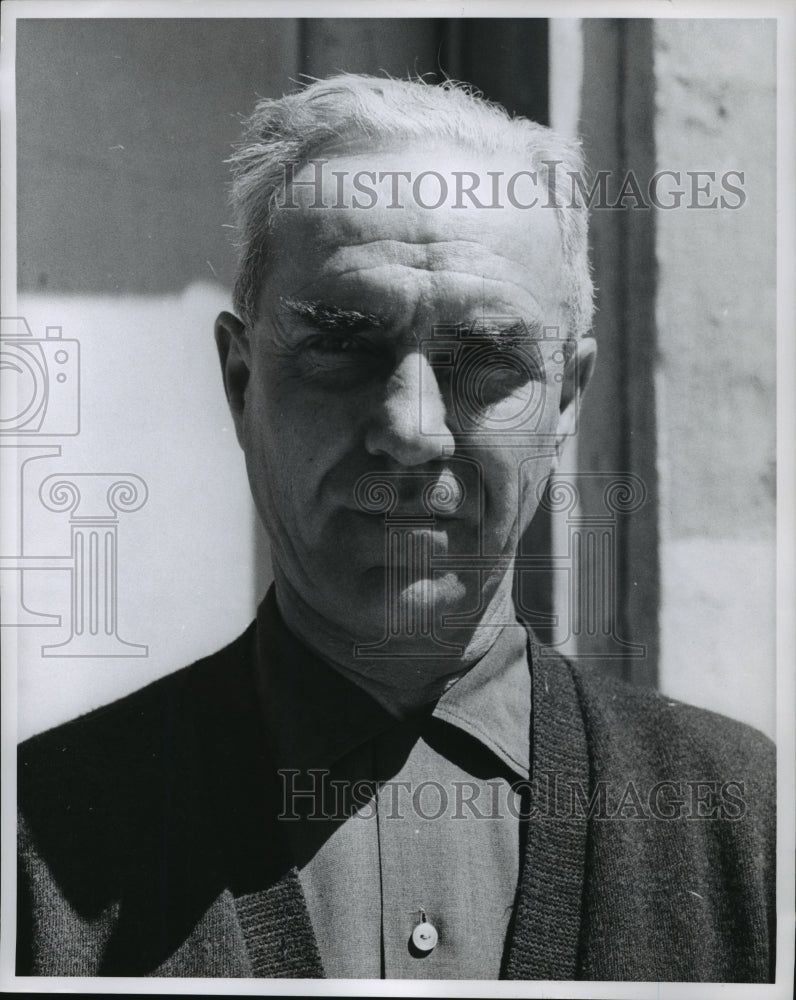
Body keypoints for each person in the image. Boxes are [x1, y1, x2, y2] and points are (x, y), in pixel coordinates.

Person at [17, 75, 775, 982]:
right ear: (240, 380)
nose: (413, 430)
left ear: (566, 396)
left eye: (488, 360)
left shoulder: (749, 824)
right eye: (343, 345)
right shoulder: (35, 840)